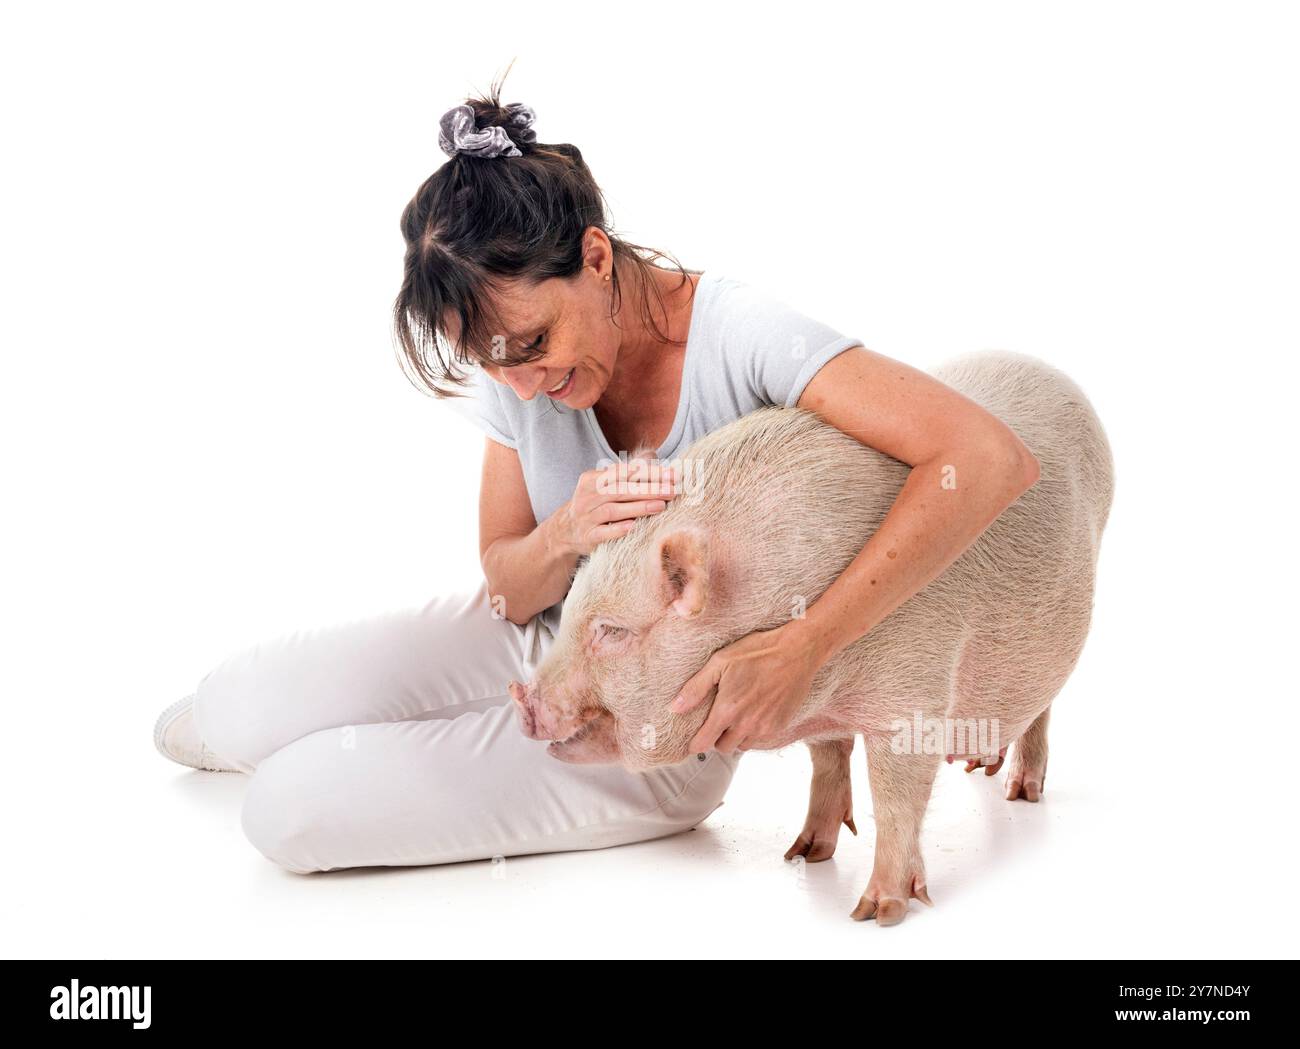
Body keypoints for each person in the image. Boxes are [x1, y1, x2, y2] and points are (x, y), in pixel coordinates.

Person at [153, 78, 1038, 875]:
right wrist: (567, 532)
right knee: (234, 702)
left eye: (535, 346)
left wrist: (810, 645)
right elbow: (504, 578)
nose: (523, 385)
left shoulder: (747, 337)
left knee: (289, 808)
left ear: (597, 257)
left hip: (660, 725)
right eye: (491, 363)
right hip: (547, 640)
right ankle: (283, 735)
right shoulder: (521, 369)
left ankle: (328, 759)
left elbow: (987, 457)